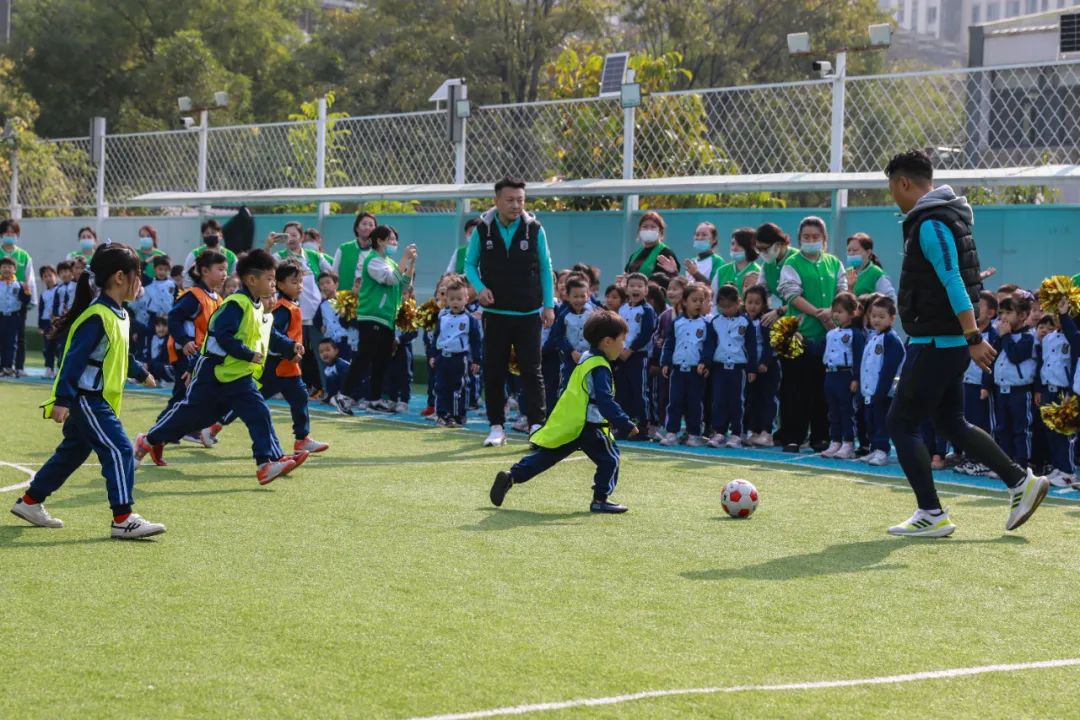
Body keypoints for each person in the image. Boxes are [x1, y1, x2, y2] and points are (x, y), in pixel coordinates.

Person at [882, 149, 1048, 538]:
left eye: (892, 187)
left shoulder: (931, 223)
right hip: (944, 339)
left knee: (900, 422)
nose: (892, 196)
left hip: (938, 341)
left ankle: (931, 512)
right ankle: (1020, 483)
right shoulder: (945, 217)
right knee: (949, 422)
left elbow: (953, 279)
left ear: (904, 182)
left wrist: (973, 336)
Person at [12, 243, 165, 539]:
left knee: (73, 453)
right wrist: (63, 400)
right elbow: (74, 359)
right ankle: (123, 517)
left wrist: (141, 372)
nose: (141, 283)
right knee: (120, 449)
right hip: (87, 400)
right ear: (120, 277)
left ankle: (30, 502)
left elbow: (117, 354)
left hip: (96, 399)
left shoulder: (117, 313)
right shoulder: (98, 316)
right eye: (138, 276)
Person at [137, 249, 309, 485]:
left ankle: (268, 462)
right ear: (251, 280)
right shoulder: (236, 304)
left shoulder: (258, 306)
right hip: (214, 374)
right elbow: (223, 336)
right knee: (191, 417)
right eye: (269, 279)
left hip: (238, 377)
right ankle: (148, 440)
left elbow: (270, 335)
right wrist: (247, 354)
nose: (273, 285)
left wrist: (291, 348)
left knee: (259, 413)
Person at [489, 310, 638, 514]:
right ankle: (600, 499)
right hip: (590, 425)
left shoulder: (586, 357)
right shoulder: (600, 367)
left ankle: (511, 476)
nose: (624, 344)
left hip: (572, 423)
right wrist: (624, 423)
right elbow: (605, 400)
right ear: (607, 342)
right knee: (610, 459)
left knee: (546, 456)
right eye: (622, 340)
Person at [464, 177, 556, 447]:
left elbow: (545, 268)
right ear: (497, 201)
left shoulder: (535, 229)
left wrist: (548, 304)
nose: (516, 205)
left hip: (528, 313)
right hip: (495, 313)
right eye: (510, 200)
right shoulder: (482, 229)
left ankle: (537, 426)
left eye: (520, 200)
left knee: (531, 370)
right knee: (494, 371)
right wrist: (479, 288)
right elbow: (469, 264)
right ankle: (496, 427)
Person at [217, 261, 330, 455]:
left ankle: (302, 439)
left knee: (300, 397)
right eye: (294, 282)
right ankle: (216, 424)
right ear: (279, 284)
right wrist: (289, 351)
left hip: (290, 368)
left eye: (301, 281)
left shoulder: (292, 305)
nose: (300, 286)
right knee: (252, 400)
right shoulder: (281, 308)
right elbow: (272, 334)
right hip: (275, 367)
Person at [776, 216, 847, 454]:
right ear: (799, 239)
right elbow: (791, 294)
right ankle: (793, 437)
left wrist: (832, 312)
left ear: (824, 239)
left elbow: (842, 292)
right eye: (806, 237)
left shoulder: (834, 263)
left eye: (815, 237)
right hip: (797, 335)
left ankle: (820, 437)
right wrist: (819, 313)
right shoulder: (792, 263)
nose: (811, 241)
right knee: (795, 389)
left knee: (822, 389)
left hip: (829, 338)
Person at [155, 250, 227, 444]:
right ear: (204, 270)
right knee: (182, 394)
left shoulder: (218, 298)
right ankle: (159, 430)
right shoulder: (194, 296)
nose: (224, 274)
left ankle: (190, 429)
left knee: (197, 395)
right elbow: (174, 317)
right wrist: (185, 340)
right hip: (185, 353)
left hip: (201, 356)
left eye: (225, 269)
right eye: (220, 269)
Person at [343, 225, 416, 411]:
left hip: (387, 318)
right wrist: (405, 259)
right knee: (364, 357)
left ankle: (374, 398)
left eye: (395, 239)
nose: (394, 243)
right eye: (391, 239)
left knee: (381, 360)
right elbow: (390, 279)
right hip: (372, 316)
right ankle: (343, 395)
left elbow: (403, 286)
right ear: (380, 241)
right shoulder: (373, 260)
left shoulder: (390, 262)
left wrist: (411, 264)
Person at [267, 221, 334, 393]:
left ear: (302, 237)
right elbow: (264, 266)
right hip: (290, 314)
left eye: (295, 235)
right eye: (287, 235)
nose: (291, 238)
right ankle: (285, 389)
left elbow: (333, 272)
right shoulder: (278, 256)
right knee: (290, 354)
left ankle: (328, 390)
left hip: (315, 316)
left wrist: (327, 293)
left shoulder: (314, 256)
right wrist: (268, 245)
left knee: (322, 354)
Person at [703, 284, 756, 448]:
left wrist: (752, 368)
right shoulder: (715, 321)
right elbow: (710, 344)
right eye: (722, 307)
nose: (726, 310)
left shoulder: (745, 322)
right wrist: (706, 363)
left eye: (730, 306)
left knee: (736, 401)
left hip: (738, 368)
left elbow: (751, 346)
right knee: (718, 400)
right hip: (719, 368)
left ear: (738, 302)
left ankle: (736, 433)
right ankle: (719, 432)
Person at [988, 294, 1036, 471]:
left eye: (1009, 312)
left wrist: (1006, 336)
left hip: (1020, 392)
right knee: (1003, 429)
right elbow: (993, 355)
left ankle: (1021, 463)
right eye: (1001, 313)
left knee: (1021, 429)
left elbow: (1016, 356)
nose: (1004, 317)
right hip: (1002, 390)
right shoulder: (1002, 335)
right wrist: (1002, 337)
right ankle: (1005, 463)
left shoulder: (1028, 338)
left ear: (1023, 316)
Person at [659, 281, 709, 446]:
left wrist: (705, 362)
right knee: (675, 402)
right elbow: (669, 344)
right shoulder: (677, 323)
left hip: (696, 371)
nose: (698, 303)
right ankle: (672, 432)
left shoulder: (706, 324)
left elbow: (709, 346)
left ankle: (693, 434)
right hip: (678, 370)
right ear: (685, 302)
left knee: (694, 403)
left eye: (701, 300)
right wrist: (666, 362)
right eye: (694, 300)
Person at [955, 291, 999, 477]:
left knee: (983, 424)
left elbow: (994, 362)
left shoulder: (994, 335)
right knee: (968, 421)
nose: (974, 310)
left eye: (979, 306)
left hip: (982, 387)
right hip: (967, 383)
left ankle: (984, 460)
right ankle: (970, 457)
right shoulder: (966, 333)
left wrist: (986, 385)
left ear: (991, 313)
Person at [429, 279, 482, 427]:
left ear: (466, 299)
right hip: (443, 357)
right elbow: (436, 337)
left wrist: (477, 360)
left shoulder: (470, 319)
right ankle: (442, 414)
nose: (455, 302)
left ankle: (457, 415)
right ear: (447, 299)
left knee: (458, 387)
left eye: (459, 299)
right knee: (440, 386)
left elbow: (476, 341)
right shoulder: (443, 318)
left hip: (459, 359)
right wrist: (433, 355)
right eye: (452, 299)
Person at [859, 295, 905, 467]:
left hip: (884, 392)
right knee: (870, 420)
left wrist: (882, 389)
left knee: (881, 421)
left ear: (892, 318)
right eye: (873, 316)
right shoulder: (872, 337)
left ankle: (882, 450)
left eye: (881, 316)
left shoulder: (891, 339)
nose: (876, 320)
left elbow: (890, 367)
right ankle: (873, 448)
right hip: (869, 391)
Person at [820, 292, 865, 460]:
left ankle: (848, 443)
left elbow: (859, 356)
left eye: (841, 311)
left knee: (847, 410)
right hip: (830, 375)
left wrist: (856, 378)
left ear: (853, 313)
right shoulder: (831, 333)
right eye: (835, 311)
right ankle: (835, 440)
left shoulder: (855, 334)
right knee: (833, 411)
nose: (836, 314)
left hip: (845, 375)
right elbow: (823, 350)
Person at [1037, 302, 1075, 487]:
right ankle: (1058, 467)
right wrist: (1039, 388)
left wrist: (1070, 391)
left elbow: (1073, 365)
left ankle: (1068, 471)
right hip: (1048, 389)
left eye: (1060, 315)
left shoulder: (1072, 337)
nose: (1056, 318)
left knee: (1063, 431)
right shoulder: (1048, 338)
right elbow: (1043, 364)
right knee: (1050, 431)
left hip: (1063, 391)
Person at [615, 272, 657, 431]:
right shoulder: (623, 309)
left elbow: (646, 333)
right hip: (621, 355)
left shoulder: (647, 310)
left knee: (639, 390)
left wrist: (631, 349)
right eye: (632, 285)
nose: (635, 289)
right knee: (622, 390)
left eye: (640, 286)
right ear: (626, 289)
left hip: (638, 356)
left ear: (646, 290)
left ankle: (644, 425)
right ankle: (625, 425)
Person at [743, 285, 778, 447]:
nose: (753, 306)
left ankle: (767, 432)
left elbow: (769, 344)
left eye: (757, 303)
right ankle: (754, 430)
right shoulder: (743, 320)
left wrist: (764, 362)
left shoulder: (766, 321)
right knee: (752, 399)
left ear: (764, 304)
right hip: (750, 367)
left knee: (767, 399)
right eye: (749, 302)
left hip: (767, 367)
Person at [0, 220, 36, 377]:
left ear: (17, 235)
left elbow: (30, 279)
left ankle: (19, 367)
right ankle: (4, 366)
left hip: (18, 304)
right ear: (1, 235)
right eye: (6, 234)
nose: (9, 236)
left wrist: (30, 300)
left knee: (19, 337)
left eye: (12, 234)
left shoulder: (24, 255)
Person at [550, 277, 598, 389]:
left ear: (588, 295)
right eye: (575, 296)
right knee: (568, 386)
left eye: (583, 296)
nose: (579, 300)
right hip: (570, 359)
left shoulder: (594, 313)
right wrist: (571, 351)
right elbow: (558, 336)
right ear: (567, 296)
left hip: (590, 357)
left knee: (590, 387)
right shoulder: (564, 315)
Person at [753, 223, 800, 318]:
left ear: (778, 244)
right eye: (758, 249)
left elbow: (808, 298)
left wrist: (780, 311)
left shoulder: (799, 260)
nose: (762, 253)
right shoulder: (767, 265)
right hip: (788, 318)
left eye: (765, 249)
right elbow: (761, 292)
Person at [332, 211, 377, 293]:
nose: (367, 227)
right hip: (345, 298)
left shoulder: (378, 251)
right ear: (357, 228)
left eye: (371, 225)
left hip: (370, 298)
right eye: (364, 224)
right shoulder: (344, 249)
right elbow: (334, 273)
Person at [0, 257, 31, 374]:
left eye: (9, 267)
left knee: (11, 343)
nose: (6, 269)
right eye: (4, 267)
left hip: (14, 317)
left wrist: (27, 292)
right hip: (1, 316)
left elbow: (25, 301)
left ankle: (8, 366)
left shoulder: (19, 285)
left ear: (14, 269)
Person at [710, 228, 761, 299]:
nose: (734, 248)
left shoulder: (758, 273)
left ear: (750, 247)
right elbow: (713, 300)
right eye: (733, 244)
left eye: (739, 245)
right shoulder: (721, 271)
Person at [182, 219, 237, 284]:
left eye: (213, 232)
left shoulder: (231, 256)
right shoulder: (195, 254)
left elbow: (235, 278)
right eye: (207, 233)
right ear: (203, 236)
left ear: (220, 235)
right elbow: (187, 277)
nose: (210, 235)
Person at [625, 211, 678, 277]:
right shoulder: (635, 255)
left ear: (660, 231)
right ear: (639, 230)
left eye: (653, 227)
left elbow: (672, 280)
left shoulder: (666, 253)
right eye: (645, 227)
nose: (648, 230)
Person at [846, 233, 896, 301]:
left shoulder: (876, 274)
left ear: (868, 252)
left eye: (855, 250)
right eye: (849, 250)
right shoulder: (848, 271)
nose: (851, 253)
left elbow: (891, 300)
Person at [314, 272, 351, 360]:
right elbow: (316, 320)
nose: (325, 286)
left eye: (328, 282)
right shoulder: (322, 305)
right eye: (321, 284)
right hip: (331, 342)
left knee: (346, 364)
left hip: (345, 339)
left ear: (336, 285)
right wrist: (320, 327)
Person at [37, 264, 60, 378]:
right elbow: (41, 310)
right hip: (46, 323)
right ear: (42, 279)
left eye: (50, 275)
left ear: (55, 276)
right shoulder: (43, 294)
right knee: (47, 347)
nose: (48, 278)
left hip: (57, 322)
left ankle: (58, 369)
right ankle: (48, 368)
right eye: (45, 276)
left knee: (58, 346)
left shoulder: (60, 290)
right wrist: (40, 326)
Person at [320, 338, 353, 414]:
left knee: (336, 376)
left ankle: (347, 397)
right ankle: (333, 396)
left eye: (328, 350)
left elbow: (347, 379)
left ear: (336, 351)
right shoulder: (328, 368)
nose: (324, 353)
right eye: (321, 352)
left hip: (356, 389)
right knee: (330, 377)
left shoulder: (340, 364)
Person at [145, 315, 173, 383]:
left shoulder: (169, 339)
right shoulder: (152, 338)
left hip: (168, 366)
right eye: (158, 326)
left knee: (156, 366)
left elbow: (162, 358)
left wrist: (148, 364)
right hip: (155, 364)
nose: (161, 329)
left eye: (164, 326)